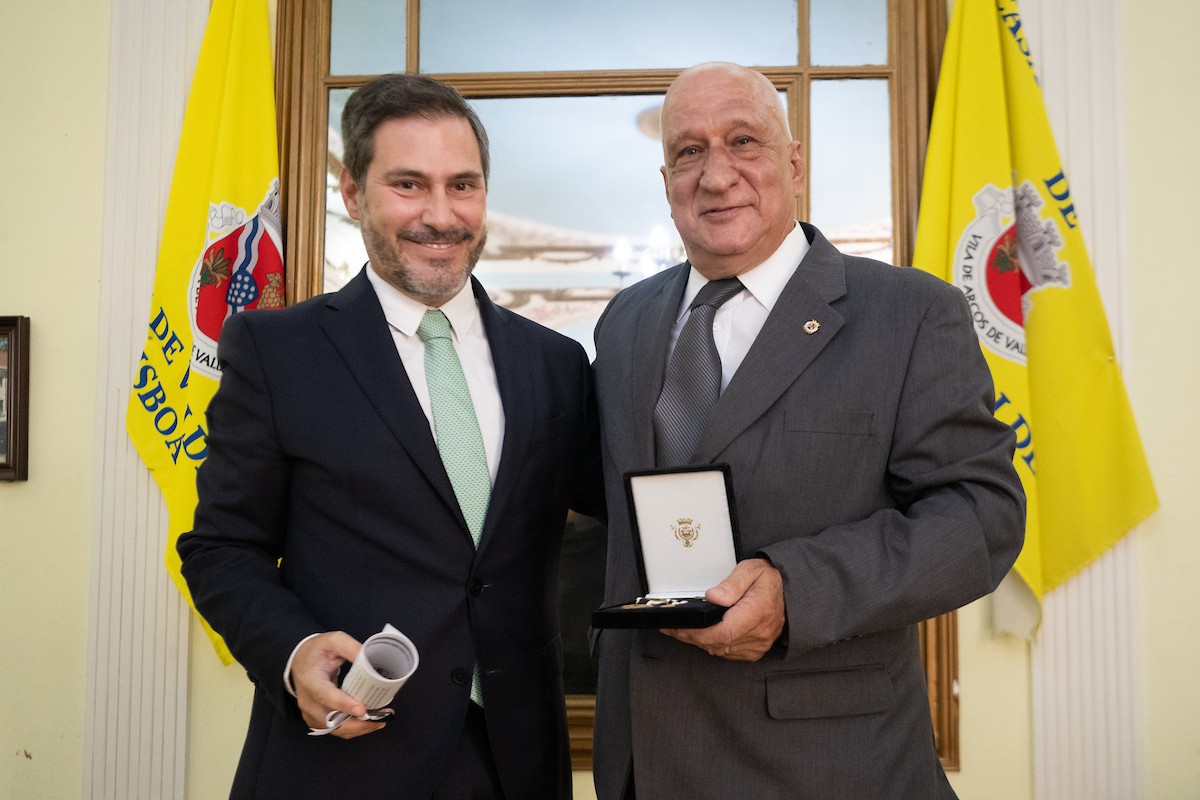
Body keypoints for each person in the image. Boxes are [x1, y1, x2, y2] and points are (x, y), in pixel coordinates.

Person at [590, 61, 1026, 799]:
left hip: (830, 767)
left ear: (794, 163)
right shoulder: (625, 323)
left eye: (744, 142)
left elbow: (982, 518)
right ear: (666, 182)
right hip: (646, 765)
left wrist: (799, 589)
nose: (717, 174)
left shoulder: (909, 314)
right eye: (689, 151)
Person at [178, 73, 603, 800]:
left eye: (462, 186)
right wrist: (294, 649)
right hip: (344, 761)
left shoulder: (556, 363)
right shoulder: (277, 351)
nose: (441, 215)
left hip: (517, 767)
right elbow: (221, 548)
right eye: (409, 185)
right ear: (352, 194)